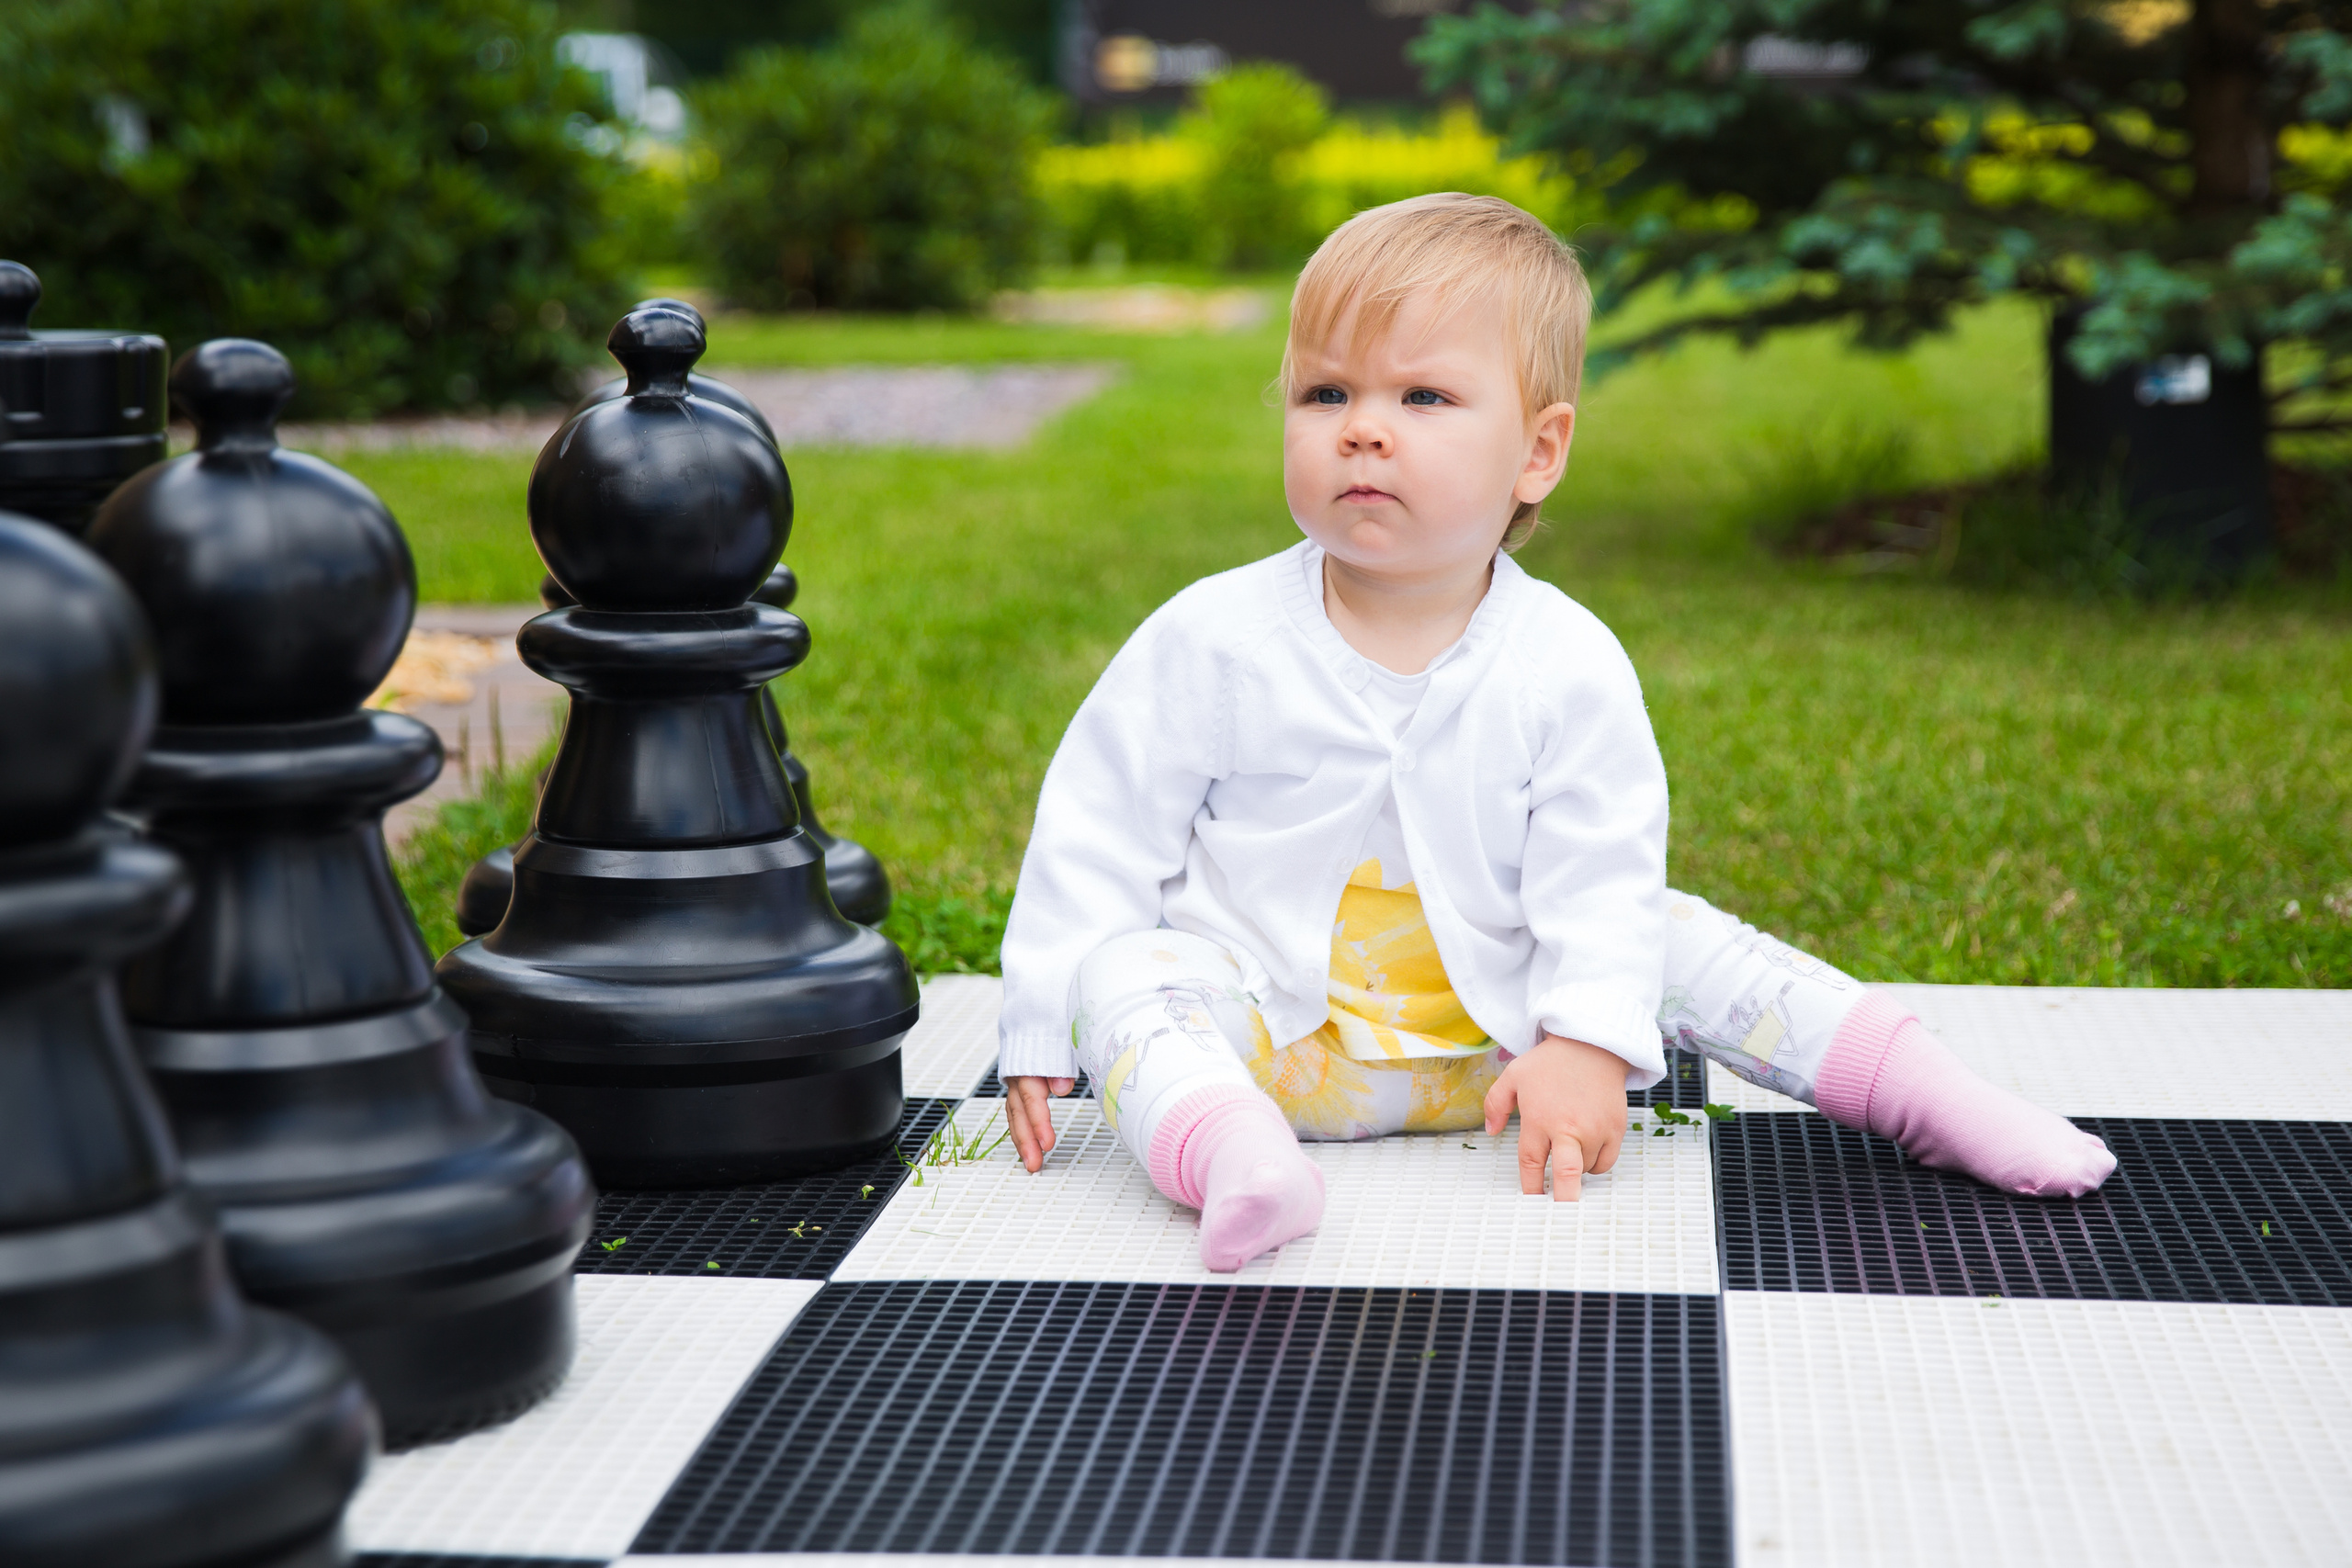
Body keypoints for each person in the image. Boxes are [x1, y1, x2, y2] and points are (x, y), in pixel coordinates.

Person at [996, 193, 2115, 1273]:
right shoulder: (1214, 637)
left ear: (1539, 451)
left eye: (1423, 399)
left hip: (1500, 1052)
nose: (1364, 432)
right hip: (1279, 1052)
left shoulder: (1564, 661)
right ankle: (1232, 1159)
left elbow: (1597, 867)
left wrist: (1581, 1039)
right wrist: (1044, 1028)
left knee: (1662, 931)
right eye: (1325, 394)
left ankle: (1929, 1097)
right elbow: (1100, 830)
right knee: (1124, 971)